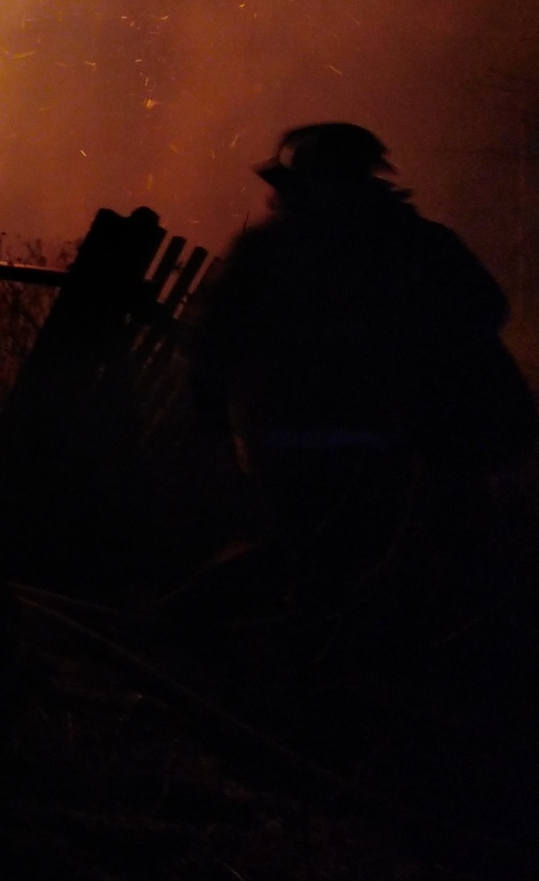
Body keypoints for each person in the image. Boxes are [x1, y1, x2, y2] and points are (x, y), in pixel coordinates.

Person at [191, 122, 532, 614]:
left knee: (324, 551)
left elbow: (215, 338)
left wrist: (211, 423)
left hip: (313, 434)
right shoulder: (417, 243)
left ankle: (312, 647)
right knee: (352, 552)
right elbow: (485, 310)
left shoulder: (272, 249)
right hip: (372, 434)